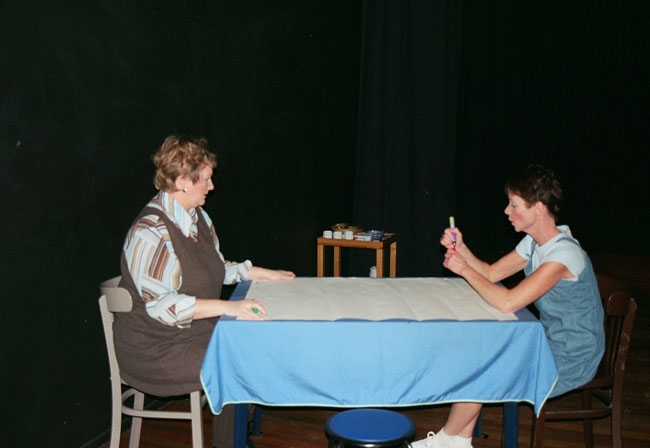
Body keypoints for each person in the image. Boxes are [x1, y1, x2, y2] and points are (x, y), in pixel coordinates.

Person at [114, 135, 295, 448]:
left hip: (193, 334)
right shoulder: (150, 232)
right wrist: (228, 307)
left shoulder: (197, 217)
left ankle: (235, 434)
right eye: (206, 179)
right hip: (155, 347)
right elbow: (163, 307)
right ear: (182, 181)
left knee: (256, 343)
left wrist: (265, 273)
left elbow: (217, 268)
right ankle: (231, 442)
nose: (211, 186)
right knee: (239, 360)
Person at [411, 164, 604, 448]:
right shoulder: (535, 244)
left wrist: (463, 269)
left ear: (538, 208)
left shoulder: (563, 254)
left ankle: (443, 441)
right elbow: (490, 273)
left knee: (485, 365)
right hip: (549, 341)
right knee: (484, 355)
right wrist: (461, 248)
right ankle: (459, 442)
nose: (506, 211)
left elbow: (508, 301)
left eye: (514, 204)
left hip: (573, 356)